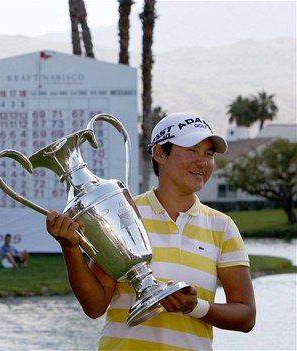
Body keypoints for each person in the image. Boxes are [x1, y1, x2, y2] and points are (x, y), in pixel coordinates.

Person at [46, 112, 256, 350]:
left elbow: (246, 316)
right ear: (159, 154)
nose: (203, 162)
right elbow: (95, 307)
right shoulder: (124, 212)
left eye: (209, 154)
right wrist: (70, 248)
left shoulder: (222, 226)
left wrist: (194, 307)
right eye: (192, 150)